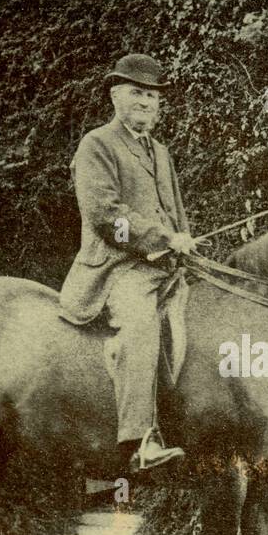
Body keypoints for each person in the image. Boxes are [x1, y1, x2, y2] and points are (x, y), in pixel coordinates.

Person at [63, 53, 196, 471]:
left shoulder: (160, 151)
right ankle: (140, 440)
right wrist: (161, 238)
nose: (147, 103)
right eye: (137, 94)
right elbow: (106, 217)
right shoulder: (96, 145)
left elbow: (173, 211)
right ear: (116, 96)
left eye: (153, 97)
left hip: (165, 265)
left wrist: (183, 243)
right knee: (141, 325)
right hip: (117, 267)